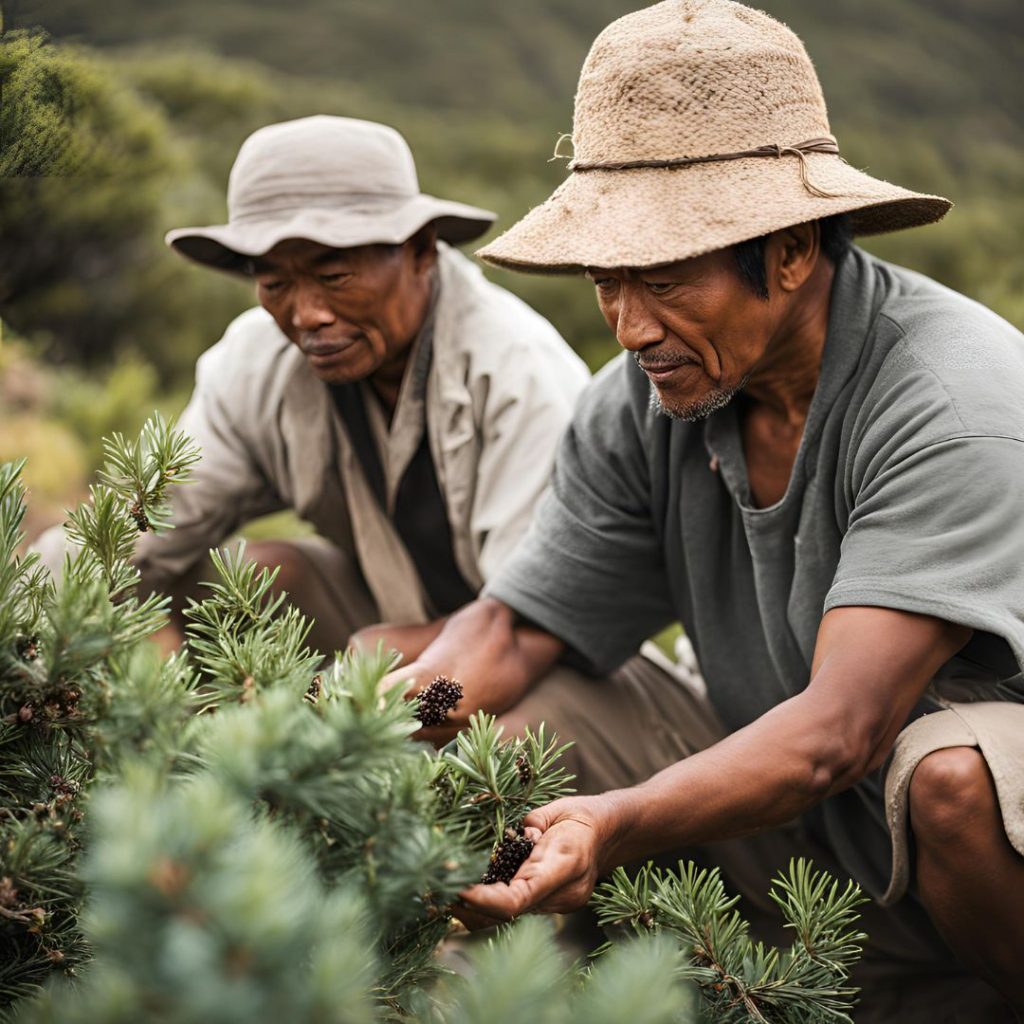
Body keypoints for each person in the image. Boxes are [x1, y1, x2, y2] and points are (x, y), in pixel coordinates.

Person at [373, 3, 1024, 1019]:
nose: (631, 327)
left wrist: (612, 821)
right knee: (512, 714)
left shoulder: (949, 402)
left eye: (665, 280)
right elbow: (512, 626)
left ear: (794, 248)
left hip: (945, 860)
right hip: (802, 839)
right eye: (606, 283)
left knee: (951, 778)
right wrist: (353, 734)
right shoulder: (643, 401)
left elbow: (839, 732)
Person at [123, 115, 590, 655]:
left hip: (538, 654)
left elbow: (532, 619)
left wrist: (369, 665)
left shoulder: (515, 372)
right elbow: (142, 526)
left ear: (419, 250)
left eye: (335, 277)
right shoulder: (258, 362)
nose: (307, 315)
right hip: (391, 609)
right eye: (275, 283)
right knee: (243, 584)